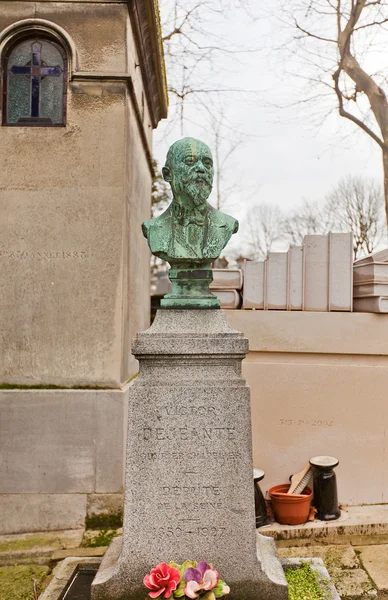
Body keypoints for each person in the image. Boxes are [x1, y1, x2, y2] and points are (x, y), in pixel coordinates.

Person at [142, 137, 238, 263]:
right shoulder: (153, 229)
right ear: (168, 174)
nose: (201, 168)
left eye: (207, 163)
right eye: (189, 161)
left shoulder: (227, 224)